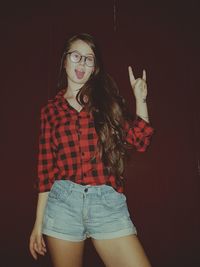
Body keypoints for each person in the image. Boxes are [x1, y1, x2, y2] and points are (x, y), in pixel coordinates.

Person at [29, 33, 154, 267]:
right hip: (63, 202)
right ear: (65, 60)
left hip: (106, 202)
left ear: (94, 68)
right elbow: (45, 171)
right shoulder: (50, 110)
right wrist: (38, 224)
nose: (82, 63)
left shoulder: (105, 102)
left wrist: (141, 99)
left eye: (89, 59)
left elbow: (140, 140)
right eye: (76, 56)